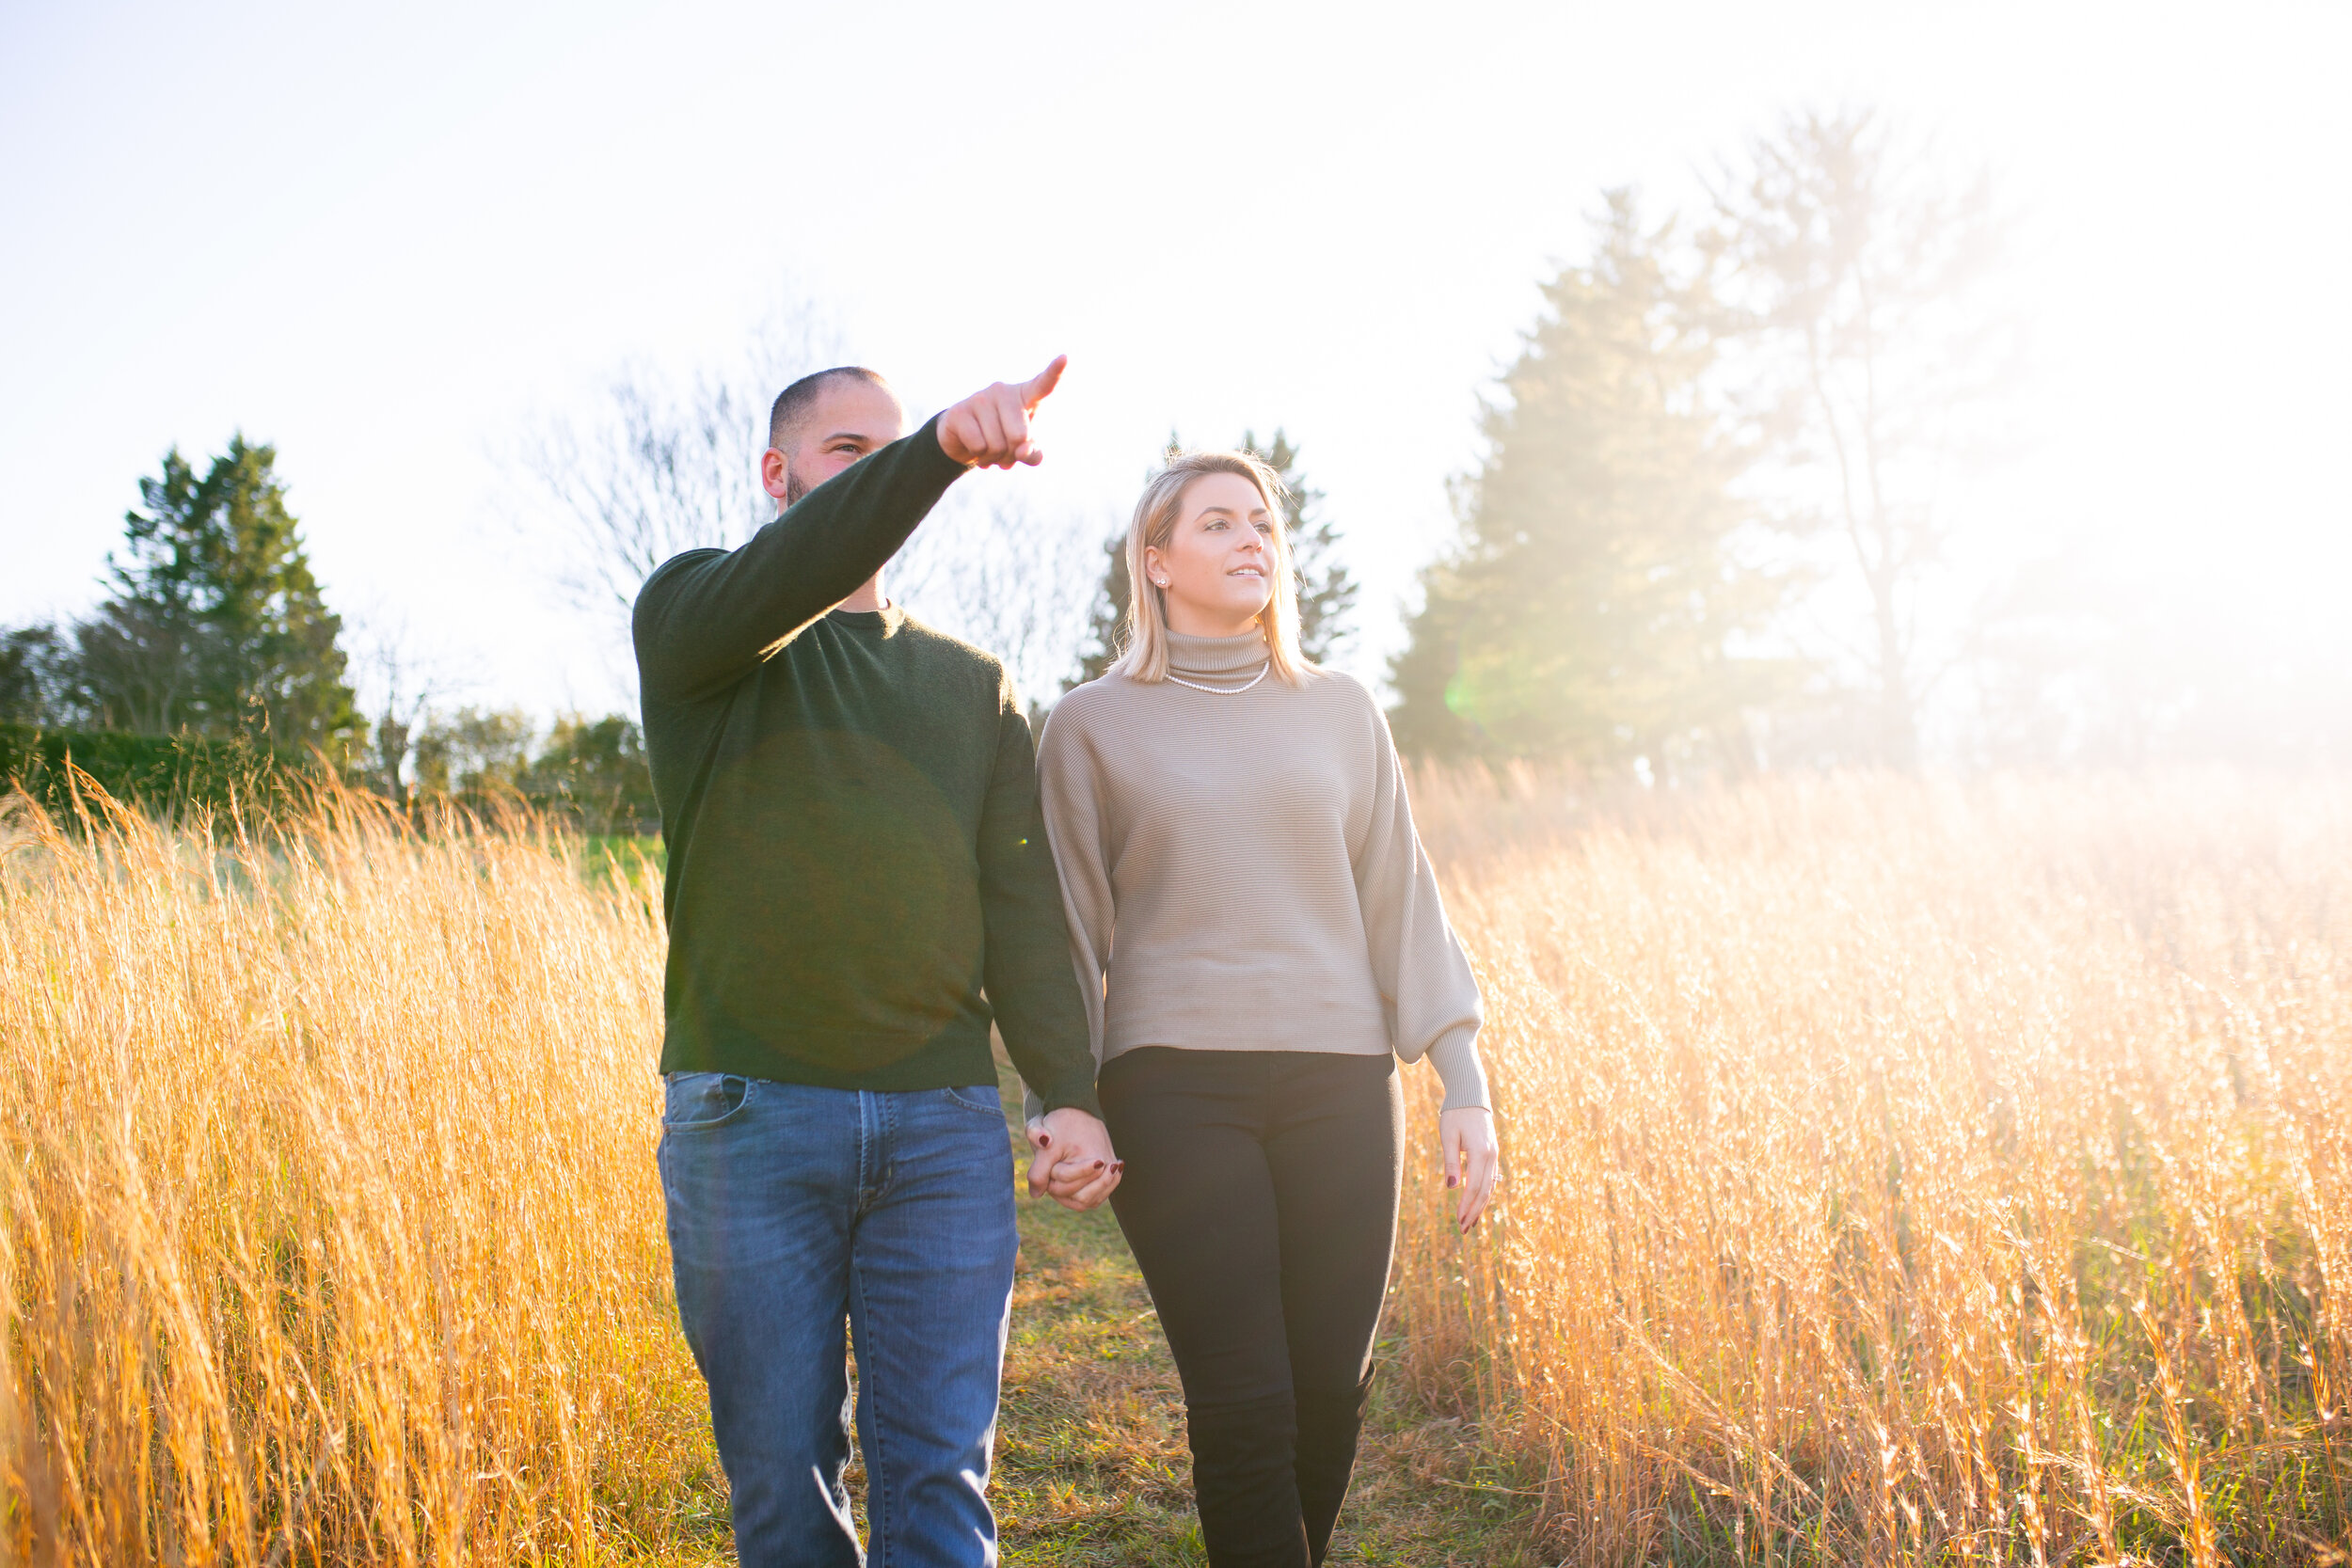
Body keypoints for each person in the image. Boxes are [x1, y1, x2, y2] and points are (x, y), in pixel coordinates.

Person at [634, 357, 1121, 1568]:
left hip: (941, 1132)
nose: (878, 470)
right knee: (785, 1494)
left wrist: (1067, 1086)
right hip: (748, 1118)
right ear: (777, 473)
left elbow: (1019, 906)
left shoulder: (969, 684)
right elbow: (798, 565)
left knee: (941, 1494)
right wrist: (942, 449)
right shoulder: (698, 625)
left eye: (887, 448)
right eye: (847, 450)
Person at [1029, 450, 1500, 1567]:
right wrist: (1065, 1094)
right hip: (1174, 1084)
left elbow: (1402, 896)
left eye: (1265, 522)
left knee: (1327, 1396)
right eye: (1220, 522)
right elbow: (1061, 930)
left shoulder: (1337, 708)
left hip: (1341, 1079)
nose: (1254, 539)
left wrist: (1459, 1075)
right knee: (1245, 1401)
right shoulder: (1089, 724)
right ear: (1156, 560)